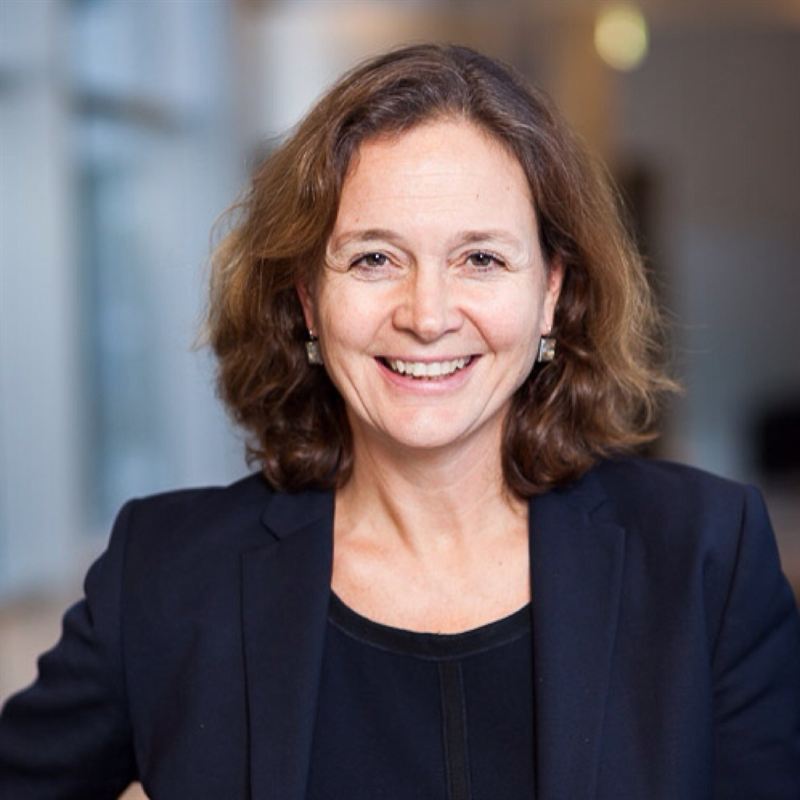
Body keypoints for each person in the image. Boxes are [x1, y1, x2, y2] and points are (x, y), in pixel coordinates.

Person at [1, 43, 798, 800]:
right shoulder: (166, 575)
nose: (427, 315)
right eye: (374, 258)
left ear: (551, 293)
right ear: (308, 299)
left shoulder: (706, 556)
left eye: (480, 258)